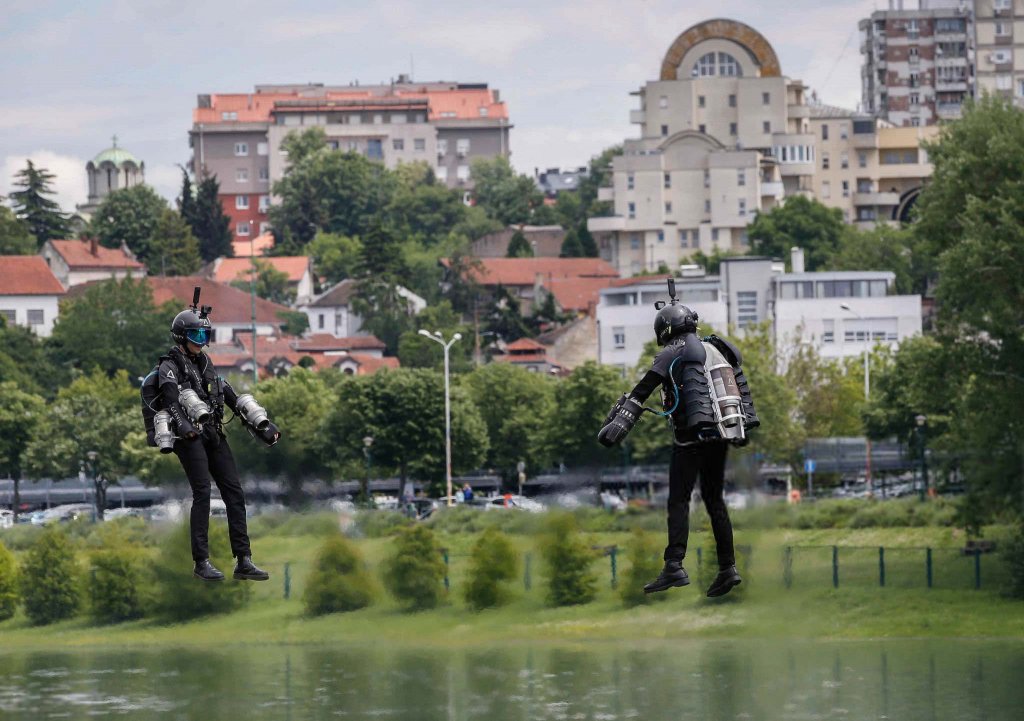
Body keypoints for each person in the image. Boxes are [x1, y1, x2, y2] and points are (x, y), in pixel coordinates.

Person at [597, 280, 758, 598]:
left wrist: (615, 427)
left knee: (678, 500)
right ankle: (728, 568)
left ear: (666, 328)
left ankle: (674, 565)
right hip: (720, 435)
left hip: (689, 438)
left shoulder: (673, 351)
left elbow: (642, 392)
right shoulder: (716, 348)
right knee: (715, 501)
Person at [157, 305, 279, 582]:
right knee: (202, 492)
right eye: (196, 335)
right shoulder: (169, 366)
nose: (202, 341)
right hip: (187, 437)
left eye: (204, 335)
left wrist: (263, 426)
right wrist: (185, 427)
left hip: (213, 432)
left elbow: (227, 394)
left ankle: (244, 559)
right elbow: (169, 399)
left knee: (234, 492)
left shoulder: (206, 365)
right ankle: (202, 561)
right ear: (181, 337)